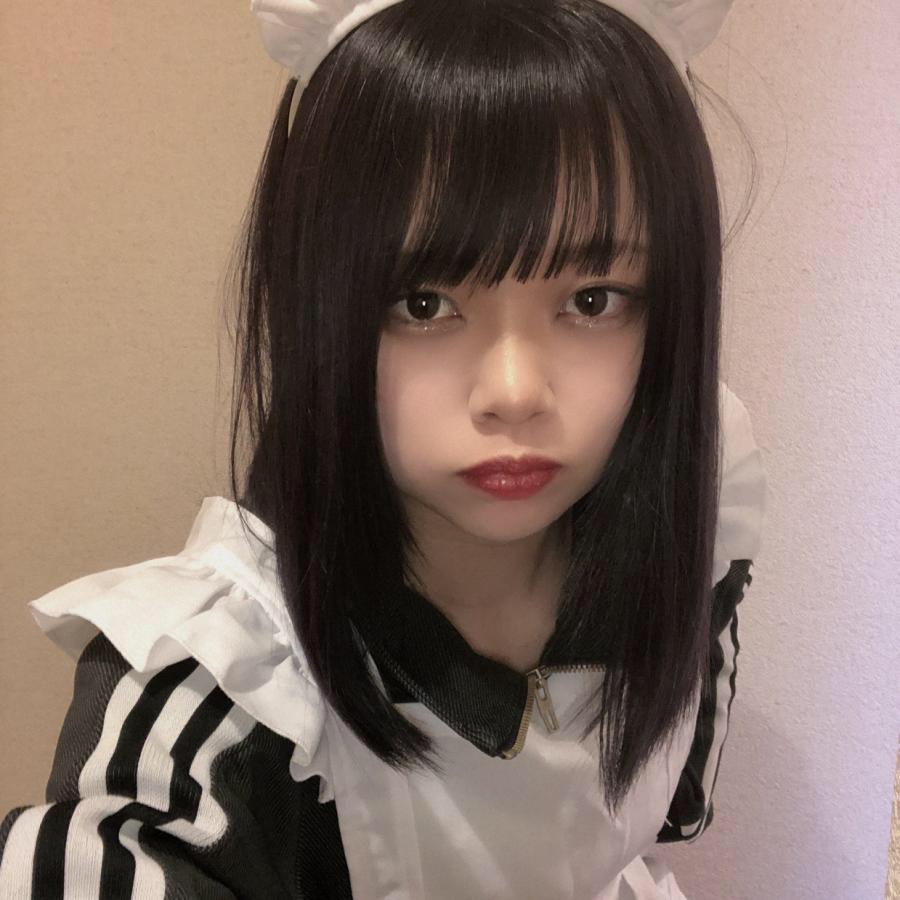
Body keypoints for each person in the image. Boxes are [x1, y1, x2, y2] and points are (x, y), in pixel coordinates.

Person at [0, 0, 767, 896]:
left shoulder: (696, 512)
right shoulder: (217, 687)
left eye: (593, 300)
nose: (514, 391)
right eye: (423, 304)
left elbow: (670, 810)